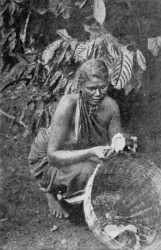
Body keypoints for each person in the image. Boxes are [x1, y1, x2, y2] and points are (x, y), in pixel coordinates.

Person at [28, 59, 126, 219]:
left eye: (103, 87)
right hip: (49, 158)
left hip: (82, 151)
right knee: (87, 171)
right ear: (80, 87)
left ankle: (82, 195)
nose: (98, 93)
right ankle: (50, 189)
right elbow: (53, 156)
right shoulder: (69, 104)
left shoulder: (111, 106)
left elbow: (115, 144)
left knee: (115, 173)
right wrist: (92, 152)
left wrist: (118, 145)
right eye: (91, 88)